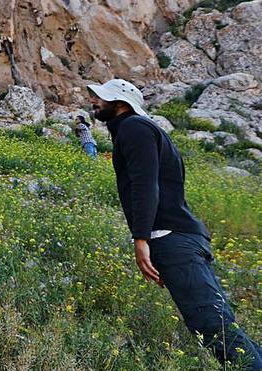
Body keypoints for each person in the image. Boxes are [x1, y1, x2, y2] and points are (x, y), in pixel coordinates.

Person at [89, 78, 261, 369]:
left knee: (212, 326)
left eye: (100, 98)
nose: (93, 101)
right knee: (218, 324)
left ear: (120, 105)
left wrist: (141, 238)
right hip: (182, 238)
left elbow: (145, 184)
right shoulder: (141, 130)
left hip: (172, 239)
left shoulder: (134, 128)